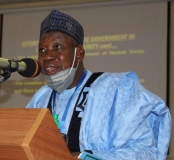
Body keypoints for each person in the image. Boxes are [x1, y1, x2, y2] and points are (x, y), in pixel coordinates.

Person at [26, 9, 171, 160]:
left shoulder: (117, 90)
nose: (47, 56)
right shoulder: (41, 98)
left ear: (79, 54)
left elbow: (146, 153)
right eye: (42, 50)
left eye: (57, 47)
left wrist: (84, 157)